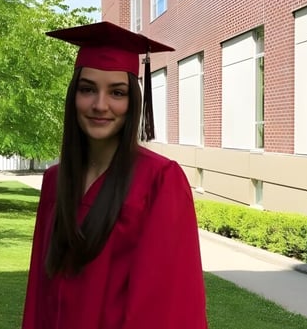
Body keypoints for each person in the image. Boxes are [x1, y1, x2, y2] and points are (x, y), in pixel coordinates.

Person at [22, 21, 208, 329]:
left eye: (117, 92)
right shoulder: (55, 181)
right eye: (87, 89)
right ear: (74, 97)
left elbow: (166, 303)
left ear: (133, 101)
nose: (100, 105)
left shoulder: (160, 181)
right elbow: (40, 292)